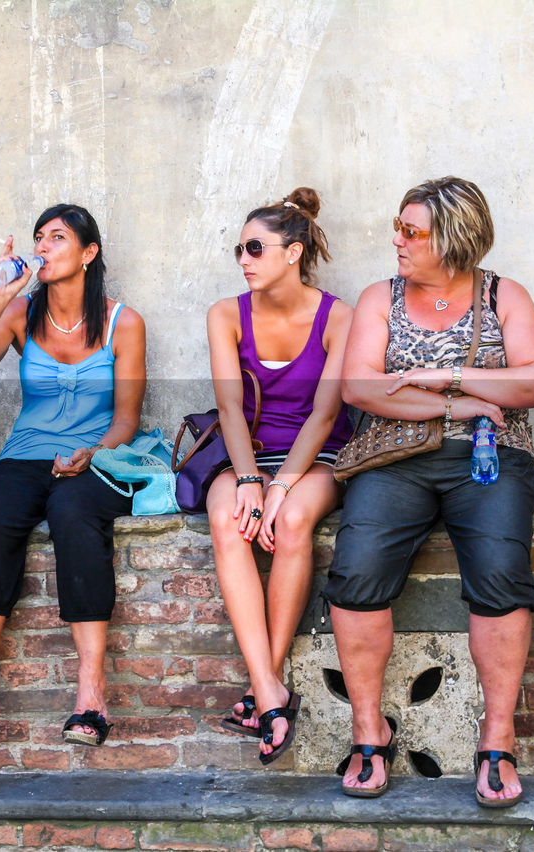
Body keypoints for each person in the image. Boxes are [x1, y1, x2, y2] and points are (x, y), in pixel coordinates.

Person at [325, 177, 534, 804]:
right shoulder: (382, 297)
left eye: (411, 230)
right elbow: (360, 388)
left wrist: (439, 374)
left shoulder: (504, 296)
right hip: (396, 456)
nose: (396, 239)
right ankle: (369, 729)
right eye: (397, 226)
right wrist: (471, 399)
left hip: (491, 458)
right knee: (357, 572)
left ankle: (497, 737)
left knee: (503, 576)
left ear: (453, 239)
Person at [0, 204, 146, 757]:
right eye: (39, 238)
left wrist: (91, 452)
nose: (44, 247)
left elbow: (127, 417)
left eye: (58, 238)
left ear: (88, 253)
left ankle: (91, 691)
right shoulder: (20, 314)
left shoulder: (123, 322)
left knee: (74, 514)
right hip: (26, 454)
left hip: (95, 458)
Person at [205, 188, 351, 764]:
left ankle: (263, 683)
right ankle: (270, 688)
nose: (243, 259)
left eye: (254, 248)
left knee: (289, 523)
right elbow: (228, 409)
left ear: (293, 253)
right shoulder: (225, 314)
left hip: (318, 456)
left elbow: (326, 413)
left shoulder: (338, 316)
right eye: (238, 249)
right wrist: (248, 480)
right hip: (247, 453)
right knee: (228, 519)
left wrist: (281, 485)